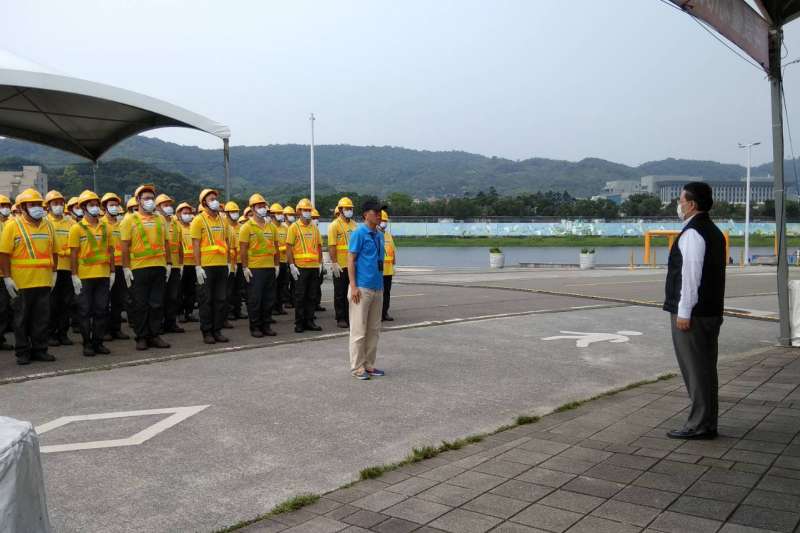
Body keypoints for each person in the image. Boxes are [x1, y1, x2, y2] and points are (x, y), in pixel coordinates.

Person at [664, 182, 725, 440]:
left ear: (691, 204)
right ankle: (707, 421)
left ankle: (699, 424)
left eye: (680, 200)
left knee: (696, 370)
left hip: (695, 314)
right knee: (706, 368)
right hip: (711, 311)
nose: (678, 205)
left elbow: (691, 275)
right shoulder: (713, 231)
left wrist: (684, 311)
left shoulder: (692, 233)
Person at [0, 189, 58, 365]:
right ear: (23, 207)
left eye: (39, 204)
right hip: (22, 282)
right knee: (21, 319)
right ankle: (23, 352)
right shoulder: (13, 225)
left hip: (44, 280)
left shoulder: (48, 225)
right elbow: (3, 254)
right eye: (33, 205)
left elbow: (53, 251)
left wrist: (54, 272)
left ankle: (40, 350)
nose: (37, 208)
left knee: (41, 319)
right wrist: (7, 278)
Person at [120, 184, 172, 351]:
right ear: (138, 201)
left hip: (158, 266)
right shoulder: (129, 220)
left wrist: (169, 263)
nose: (150, 201)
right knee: (140, 304)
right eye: (146, 198)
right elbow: (125, 246)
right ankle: (141, 337)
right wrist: (126, 268)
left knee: (156, 304)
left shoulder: (160, 219)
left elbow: (166, 243)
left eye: (151, 198)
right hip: (138, 268)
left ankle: (154, 335)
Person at [69, 190, 114, 357]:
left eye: (96, 204)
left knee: (102, 310)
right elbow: (73, 253)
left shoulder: (106, 227)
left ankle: (98, 342)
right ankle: (87, 343)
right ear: (83, 208)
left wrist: (112, 272)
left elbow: (110, 251)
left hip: (102, 275)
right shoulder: (76, 229)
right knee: (84, 311)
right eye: (91, 205)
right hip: (85, 276)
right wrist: (74, 275)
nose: (95, 208)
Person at [347, 200, 386, 380]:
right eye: (375, 211)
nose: (379, 215)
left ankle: (369, 365)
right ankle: (357, 367)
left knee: (373, 330)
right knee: (359, 330)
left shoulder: (379, 235)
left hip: (377, 287)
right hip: (362, 288)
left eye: (380, 212)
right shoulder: (359, 233)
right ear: (365, 214)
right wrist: (353, 286)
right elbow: (351, 260)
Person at [191, 189, 232, 344]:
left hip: (221, 265)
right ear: (204, 203)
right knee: (206, 301)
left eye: (215, 198)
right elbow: (195, 244)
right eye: (211, 199)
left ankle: (217, 330)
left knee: (220, 300)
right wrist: (197, 267)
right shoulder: (198, 220)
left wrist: (228, 262)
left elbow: (226, 242)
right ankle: (207, 332)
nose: (215, 201)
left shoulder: (223, 220)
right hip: (206, 267)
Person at [240, 194, 279, 337]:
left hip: (269, 268)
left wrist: (276, 266)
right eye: (259, 206)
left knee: (268, 299)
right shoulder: (246, 227)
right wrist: (244, 267)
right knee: (255, 299)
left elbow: (275, 247)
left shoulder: (271, 227)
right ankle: (255, 327)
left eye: (264, 206)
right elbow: (243, 249)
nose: (262, 209)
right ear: (252, 209)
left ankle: (266, 325)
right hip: (254, 269)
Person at [285, 198, 322, 333]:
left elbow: (318, 247)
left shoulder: (314, 228)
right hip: (300, 267)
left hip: (313, 267)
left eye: (309, 210)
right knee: (300, 296)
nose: (307, 213)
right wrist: (291, 265)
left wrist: (320, 264)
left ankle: (310, 321)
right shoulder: (294, 228)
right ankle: (299, 323)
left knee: (312, 296)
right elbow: (288, 248)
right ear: (299, 212)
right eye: (305, 210)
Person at [45, 190, 75, 346]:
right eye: (54, 203)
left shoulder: (71, 223)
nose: (58, 206)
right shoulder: (45, 223)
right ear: (48, 206)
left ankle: (63, 333)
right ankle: (51, 334)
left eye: (60, 203)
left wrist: (64, 251)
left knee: (66, 303)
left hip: (68, 269)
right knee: (52, 303)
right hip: (52, 269)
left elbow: (76, 245)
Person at [101, 192, 130, 340]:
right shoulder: (101, 224)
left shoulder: (122, 224)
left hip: (120, 266)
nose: (114, 207)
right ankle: (105, 330)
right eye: (111, 205)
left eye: (116, 205)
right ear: (105, 207)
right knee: (104, 300)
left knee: (118, 299)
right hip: (106, 267)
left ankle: (116, 328)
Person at [157, 194, 185, 334]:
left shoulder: (175, 223)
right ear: (158, 208)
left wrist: (181, 265)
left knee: (173, 296)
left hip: (174, 266)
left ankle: (171, 322)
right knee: (160, 296)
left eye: (169, 204)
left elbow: (179, 245)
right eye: (165, 205)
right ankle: (159, 324)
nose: (169, 207)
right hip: (162, 265)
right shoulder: (158, 222)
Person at [328, 197, 357, 328]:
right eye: (347, 209)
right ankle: (341, 318)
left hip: (353, 265)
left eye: (351, 209)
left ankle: (350, 316)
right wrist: (334, 263)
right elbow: (332, 246)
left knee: (352, 293)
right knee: (340, 293)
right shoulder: (334, 225)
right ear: (340, 210)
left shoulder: (355, 225)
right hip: (340, 265)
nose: (349, 211)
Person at [176, 202, 198, 323]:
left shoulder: (193, 227)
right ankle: (180, 313)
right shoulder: (177, 226)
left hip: (193, 264)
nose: (187, 215)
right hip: (182, 264)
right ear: (179, 214)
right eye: (185, 213)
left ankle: (189, 312)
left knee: (191, 290)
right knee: (180, 290)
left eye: (189, 213)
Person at [270, 203, 289, 315]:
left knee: (282, 285)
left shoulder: (285, 228)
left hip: (283, 261)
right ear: (272, 215)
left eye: (281, 213)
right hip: (272, 262)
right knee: (273, 286)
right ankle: (272, 307)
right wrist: (281, 248)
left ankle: (279, 307)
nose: (281, 215)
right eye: (278, 213)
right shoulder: (270, 227)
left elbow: (288, 243)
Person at [0, 195, 13, 351]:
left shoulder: (7, 225)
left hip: (4, 273)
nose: (5, 208)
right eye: (2, 205)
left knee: (3, 307)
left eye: (6, 205)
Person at [379, 209, 396, 321]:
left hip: (388, 270)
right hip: (379, 271)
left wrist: (394, 264)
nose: (384, 223)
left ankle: (384, 313)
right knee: (378, 295)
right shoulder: (374, 234)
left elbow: (393, 251)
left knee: (386, 294)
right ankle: (377, 314)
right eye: (382, 220)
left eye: (385, 220)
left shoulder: (388, 235)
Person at [311, 208, 326, 313]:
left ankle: (316, 304)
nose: (316, 220)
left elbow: (320, 248)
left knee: (317, 286)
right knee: (310, 289)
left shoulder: (316, 231)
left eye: (317, 218)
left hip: (317, 263)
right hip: (307, 264)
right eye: (314, 218)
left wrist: (321, 263)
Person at [282, 205, 297, 308]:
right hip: (285, 258)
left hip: (295, 258)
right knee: (285, 282)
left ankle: (293, 299)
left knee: (294, 281)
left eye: (292, 214)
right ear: (285, 216)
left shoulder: (295, 227)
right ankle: (286, 300)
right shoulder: (284, 227)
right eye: (289, 215)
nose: (291, 216)